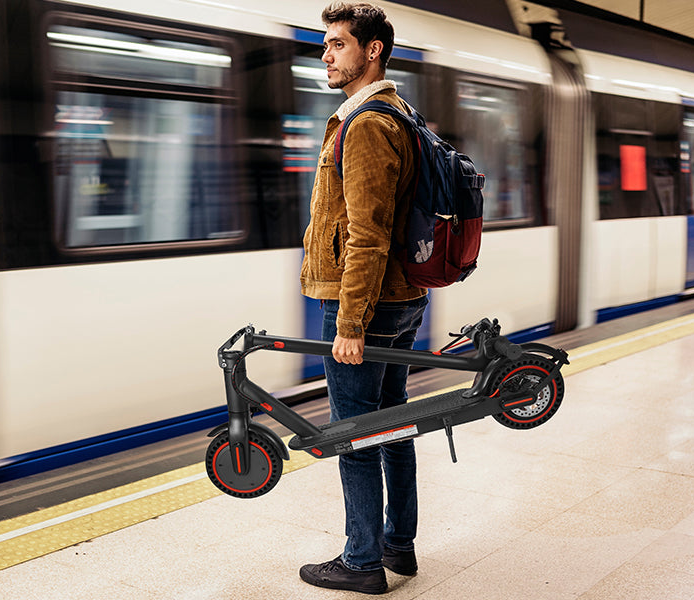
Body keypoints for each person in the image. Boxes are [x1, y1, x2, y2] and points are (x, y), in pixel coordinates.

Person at [298, 2, 428, 595]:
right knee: (392, 426)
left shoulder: (369, 123)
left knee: (356, 435)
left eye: (337, 44)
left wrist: (350, 322)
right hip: (399, 299)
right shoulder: (396, 112)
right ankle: (398, 547)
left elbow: (366, 234)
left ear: (371, 50)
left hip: (368, 306)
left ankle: (361, 561)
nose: (325, 55)